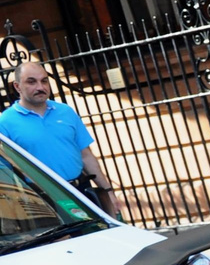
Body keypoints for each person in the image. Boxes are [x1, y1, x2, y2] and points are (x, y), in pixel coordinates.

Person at [0, 60, 123, 216]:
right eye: (31, 82)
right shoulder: (5, 122)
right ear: (17, 86)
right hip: (43, 200)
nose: (40, 87)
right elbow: (6, 172)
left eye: (44, 81)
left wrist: (108, 192)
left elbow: (86, 155)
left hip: (82, 191)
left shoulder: (66, 112)